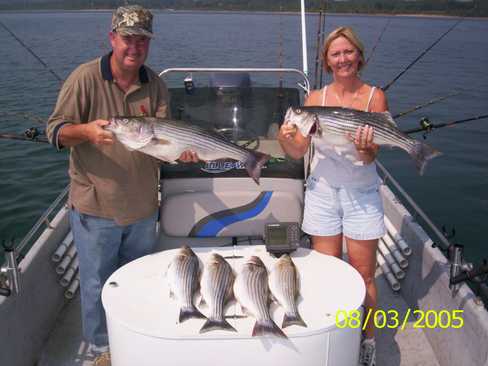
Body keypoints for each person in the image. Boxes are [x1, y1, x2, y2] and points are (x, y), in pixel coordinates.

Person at [46, 5, 197, 366]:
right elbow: (56, 131)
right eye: (128, 38)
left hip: (143, 207)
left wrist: (182, 153)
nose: (135, 47)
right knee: (98, 285)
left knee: (138, 280)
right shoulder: (84, 79)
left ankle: (133, 341)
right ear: (112, 37)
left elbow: (160, 145)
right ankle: (101, 351)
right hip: (96, 207)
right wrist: (86, 132)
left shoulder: (156, 85)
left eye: (142, 40)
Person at [278, 26, 387, 366]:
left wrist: (368, 149)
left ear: (359, 56)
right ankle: (335, 335)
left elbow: (370, 157)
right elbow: (297, 151)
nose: (343, 59)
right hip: (323, 192)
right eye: (335, 54)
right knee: (328, 271)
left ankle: (367, 341)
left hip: (362, 193)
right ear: (327, 61)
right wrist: (285, 136)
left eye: (348, 52)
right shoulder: (314, 102)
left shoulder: (374, 97)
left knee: (364, 274)